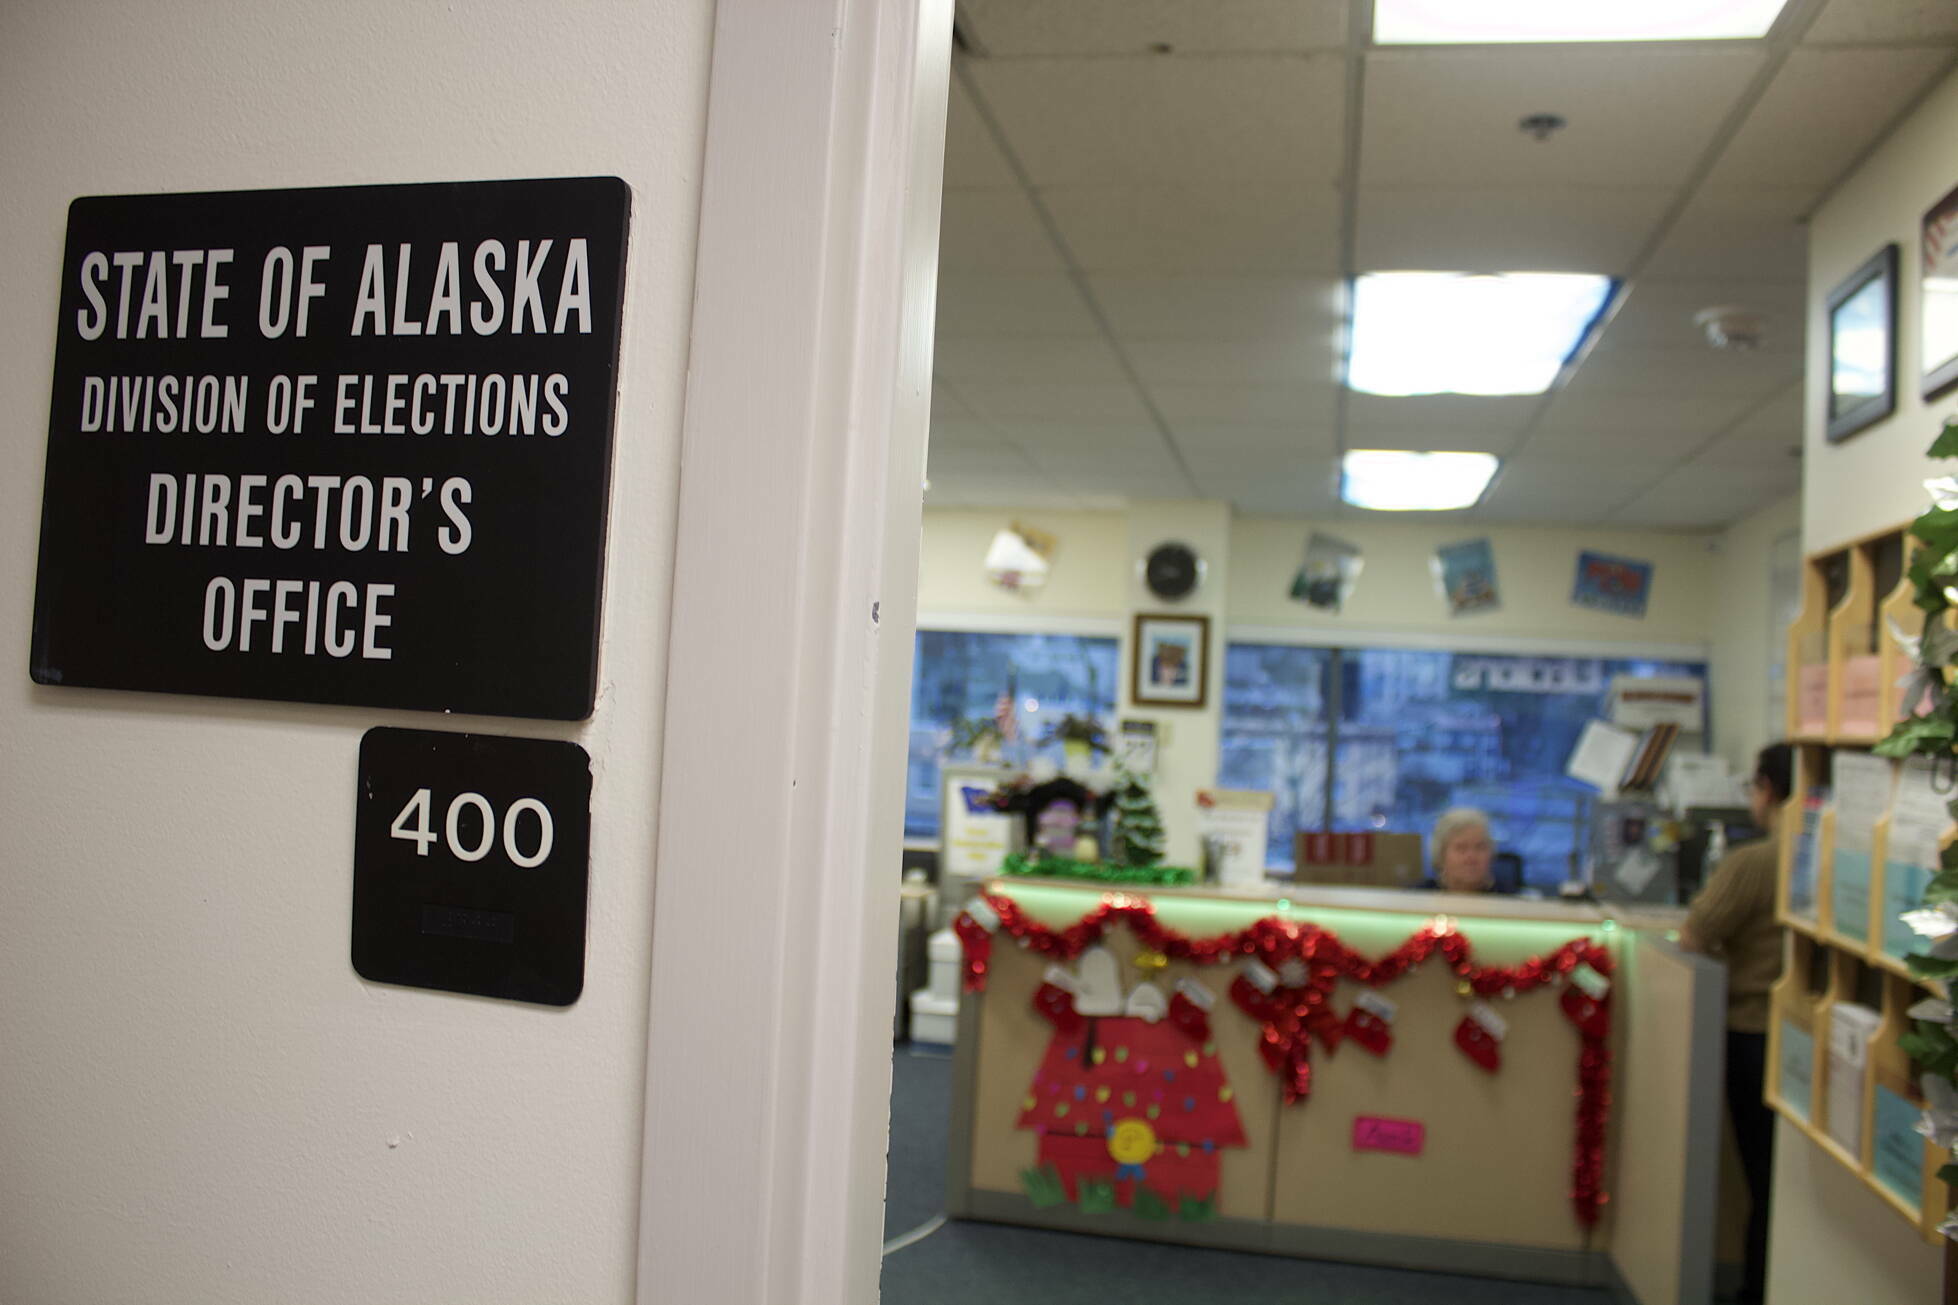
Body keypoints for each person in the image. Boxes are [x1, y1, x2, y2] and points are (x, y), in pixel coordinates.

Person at [1680, 742, 1791, 1305]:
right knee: (1785, 1179)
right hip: (1803, 1036)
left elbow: (1694, 935)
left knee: (1763, 1176)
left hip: (1752, 1033)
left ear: (1767, 789)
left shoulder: (1755, 862)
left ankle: (1757, 1288)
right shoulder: (1830, 860)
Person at [1421, 808, 1495, 892]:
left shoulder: (1509, 899)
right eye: (1461, 848)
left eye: (1480, 847)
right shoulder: (1416, 897)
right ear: (1441, 855)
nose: (1471, 857)